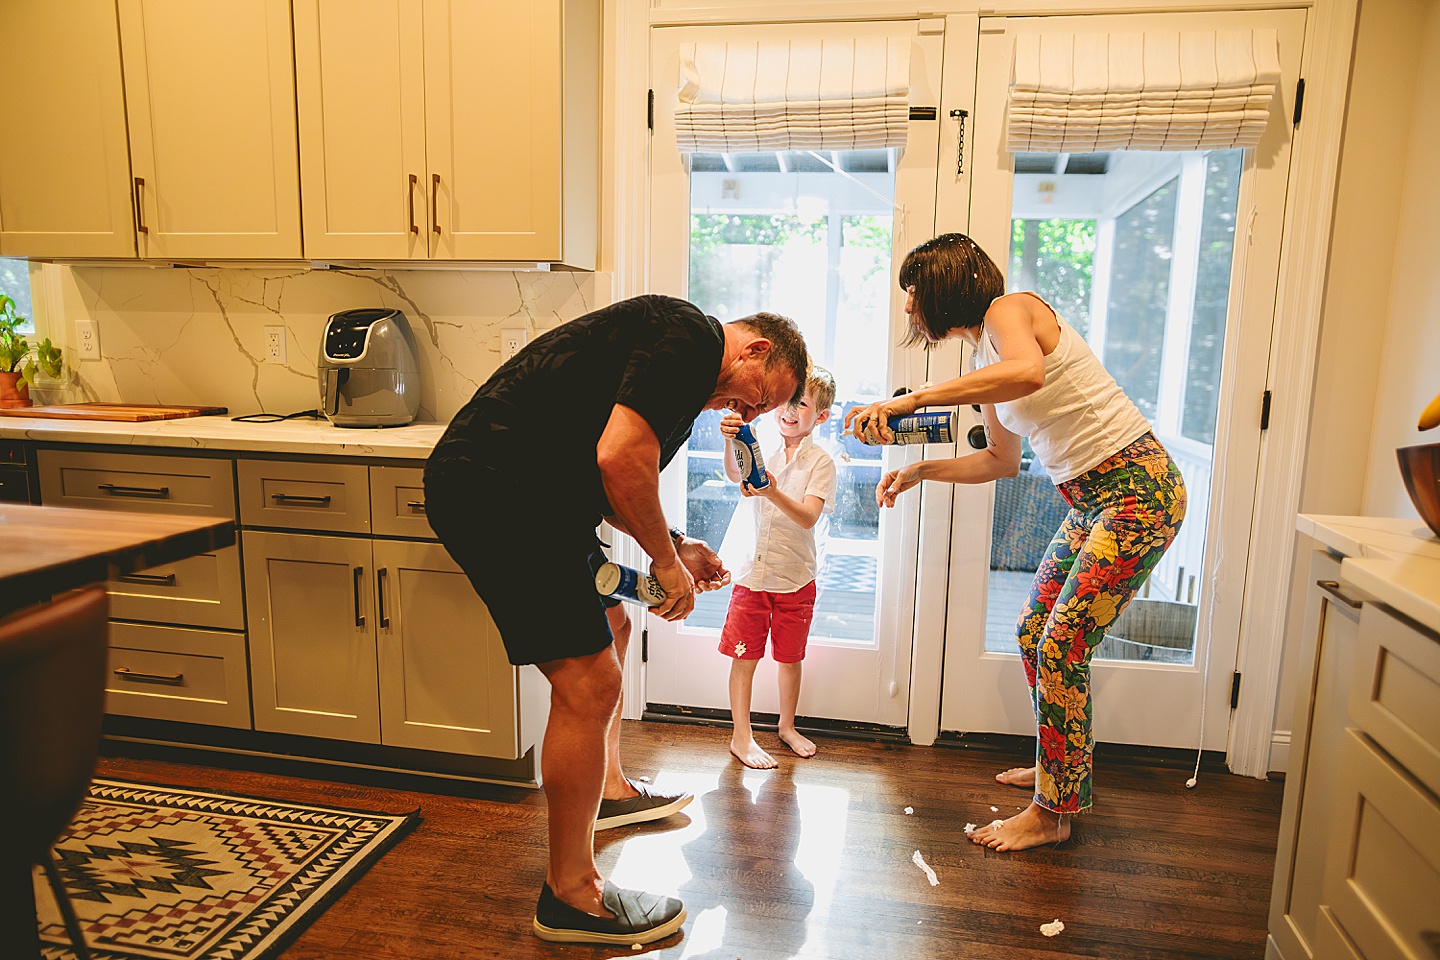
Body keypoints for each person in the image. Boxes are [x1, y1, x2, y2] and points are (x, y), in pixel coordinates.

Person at [424, 294, 807, 944]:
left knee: (614, 628)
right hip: (497, 487)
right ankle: (571, 895)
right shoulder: (687, 336)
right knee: (590, 683)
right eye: (759, 398)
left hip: (539, 495)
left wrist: (677, 544)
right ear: (756, 350)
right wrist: (663, 564)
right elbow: (619, 457)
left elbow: (610, 474)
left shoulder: (684, 385)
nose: (750, 413)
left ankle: (607, 793)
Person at [845, 233, 1187, 853]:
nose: (907, 308)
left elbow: (1029, 372)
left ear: (945, 286)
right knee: (1036, 634)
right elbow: (999, 462)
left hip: (1140, 490)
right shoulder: (985, 365)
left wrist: (914, 400)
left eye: (913, 291)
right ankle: (1063, 770)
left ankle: (1051, 812)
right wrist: (920, 470)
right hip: (1094, 500)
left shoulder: (1011, 310)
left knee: (1061, 648)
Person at [716, 366, 838, 769]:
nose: (789, 410)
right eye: (787, 400)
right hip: (752, 572)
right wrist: (730, 441)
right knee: (744, 656)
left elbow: (807, 517)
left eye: (801, 404)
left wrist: (772, 492)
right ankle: (741, 735)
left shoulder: (821, 463)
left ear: (820, 416)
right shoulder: (759, 444)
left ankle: (786, 726)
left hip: (794, 576)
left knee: (790, 657)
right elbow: (735, 473)